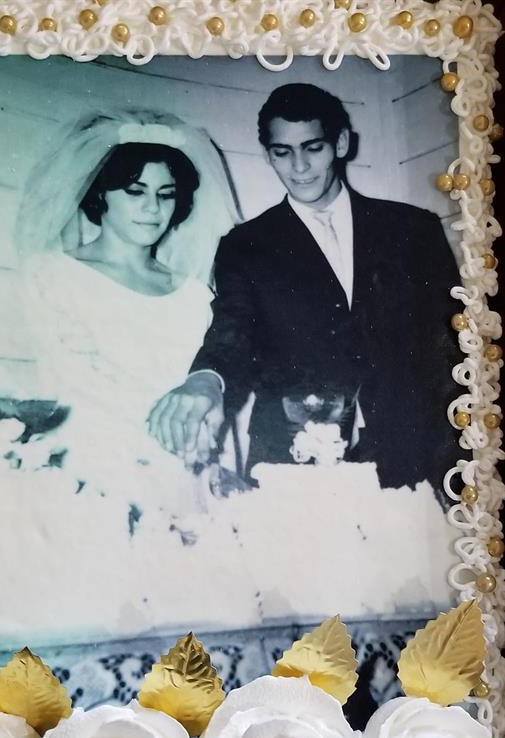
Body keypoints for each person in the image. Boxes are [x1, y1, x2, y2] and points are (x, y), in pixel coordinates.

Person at [148, 83, 461, 495]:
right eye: (283, 152)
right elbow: (232, 331)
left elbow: (452, 351)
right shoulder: (245, 246)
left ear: (341, 143)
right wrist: (205, 380)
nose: (299, 167)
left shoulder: (413, 229)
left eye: (312, 148)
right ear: (268, 154)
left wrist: (460, 458)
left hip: (414, 460)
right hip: (291, 469)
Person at [12, 110, 237, 531]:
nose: (153, 208)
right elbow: (79, 376)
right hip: (95, 475)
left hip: (186, 479)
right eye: (135, 191)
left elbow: (214, 388)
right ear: (101, 194)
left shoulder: (195, 296)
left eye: (166, 194)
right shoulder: (52, 275)